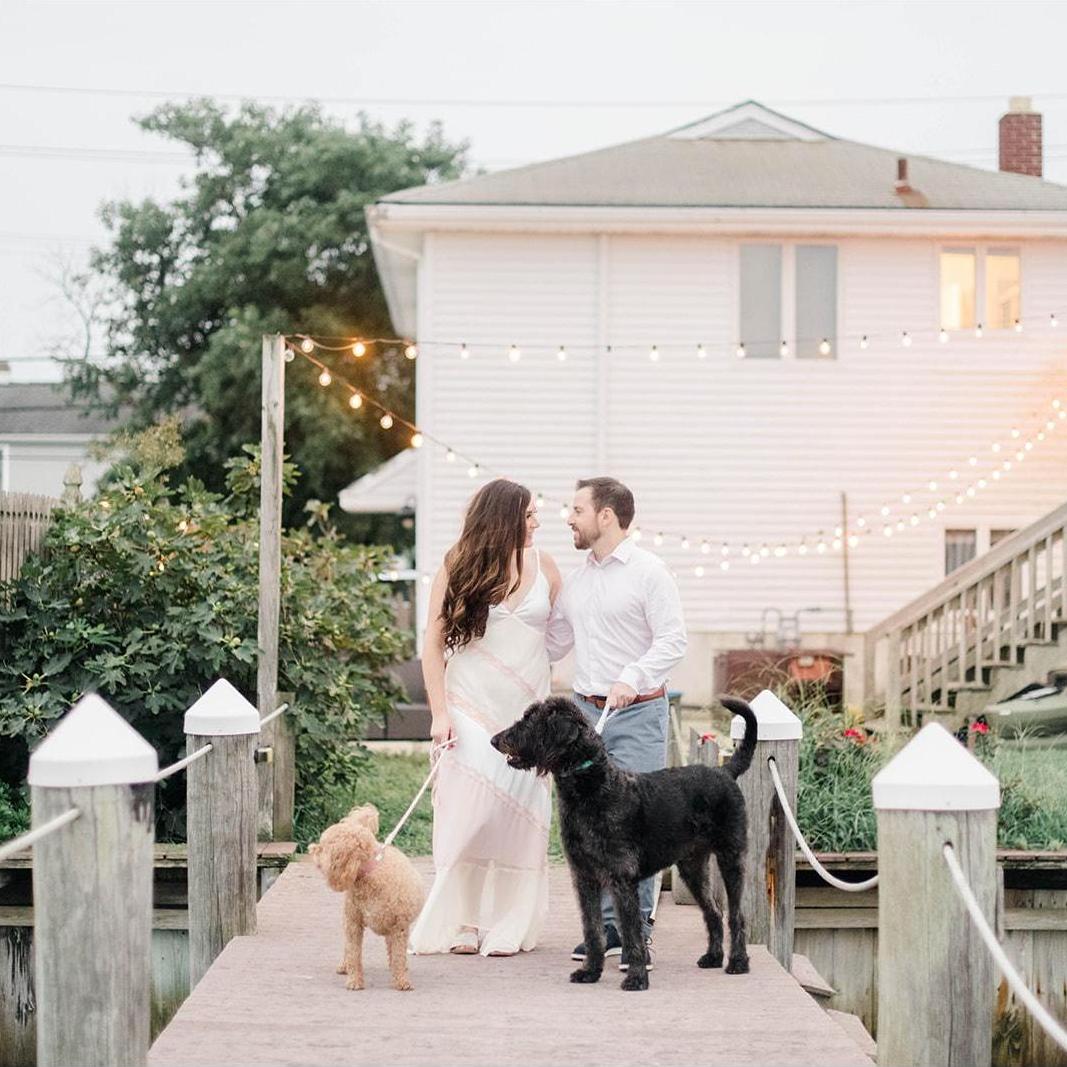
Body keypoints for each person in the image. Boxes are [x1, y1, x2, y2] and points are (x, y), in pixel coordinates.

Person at [409, 478, 561, 957]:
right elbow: (432, 644)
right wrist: (439, 714)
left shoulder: (546, 565)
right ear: (505, 518)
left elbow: (564, 634)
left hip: (528, 710)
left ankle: (510, 924)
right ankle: (462, 922)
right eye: (530, 514)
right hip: (470, 704)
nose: (537, 522)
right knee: (468, 813)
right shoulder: (458, 563)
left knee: (523, 817)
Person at [546, 476, 687, 968]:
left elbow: (673, 640)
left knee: (636, 823)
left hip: (640, 711)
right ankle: (605, 928)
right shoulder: (577, 579)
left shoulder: (651, 572)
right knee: (589, 823)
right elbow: (553, 641)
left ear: (606, 516)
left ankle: (637, 930)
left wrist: (634, 675)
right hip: (585, 716)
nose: (569, 517)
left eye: (577, 509)